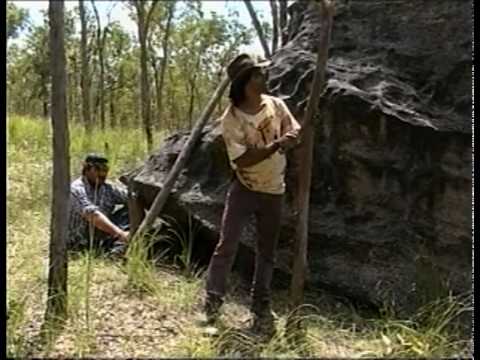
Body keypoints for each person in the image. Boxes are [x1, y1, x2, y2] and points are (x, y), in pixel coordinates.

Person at [204, 53, 301, 334]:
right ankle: (212, 301)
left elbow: (293, 128)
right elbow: (243, 160)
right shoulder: (231, 119)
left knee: (267, 251)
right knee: (227, 245)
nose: (265, 77)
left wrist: (293, 136)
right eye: (259, 74)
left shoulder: (276, 105)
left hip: (274, 190)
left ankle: (260, 304)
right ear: (246, 82)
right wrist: (277, 145)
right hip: (244, 188)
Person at [68, 153, 130, 256]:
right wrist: (120, 234)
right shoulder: (76, 189)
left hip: (102, 235)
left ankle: (120, 247)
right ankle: (117, 248)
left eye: (105, 169)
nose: (102, 173)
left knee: (130, 209)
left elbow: (130, 198)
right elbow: (92, 215)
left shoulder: (107, 188)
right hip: (80, 242)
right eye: (97, 169)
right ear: (86, 169)